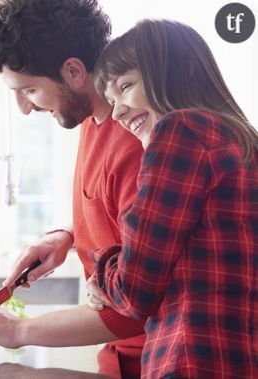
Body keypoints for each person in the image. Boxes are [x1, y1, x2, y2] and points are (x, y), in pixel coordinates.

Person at [0, 1, 146, 377]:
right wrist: (69, 236)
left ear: (74, 71)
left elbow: (133, 307)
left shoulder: (133, 141)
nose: (25, 109)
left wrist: (17, 329)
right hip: (117, 360)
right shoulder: (92, 121)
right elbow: (125, 218)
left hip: (152, 363)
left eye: (28, 90)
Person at [86, 19, 258, 378]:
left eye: (126, 86)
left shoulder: (180, 131)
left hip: (189, 361)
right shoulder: (245, 145)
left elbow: (135, 292)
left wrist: (102, 266)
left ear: (180, 70)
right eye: (111, 100)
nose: (116, 113)